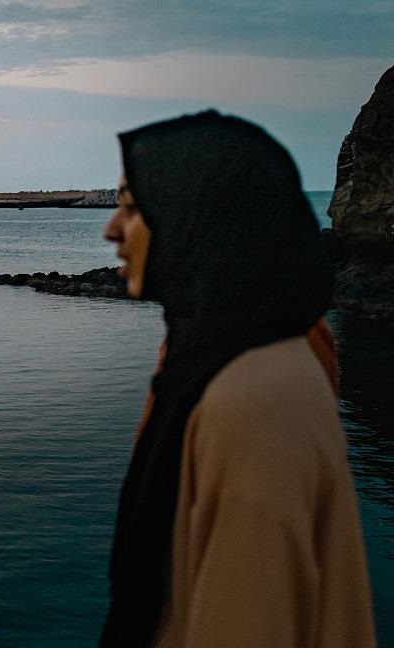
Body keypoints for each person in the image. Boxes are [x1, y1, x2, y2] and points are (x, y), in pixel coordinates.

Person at [100, 111, 375, 647]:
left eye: (131, 207)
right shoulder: (222, 356)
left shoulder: (253, 400)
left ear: (194, 218)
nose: (111, 229)